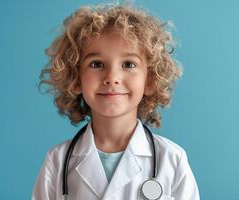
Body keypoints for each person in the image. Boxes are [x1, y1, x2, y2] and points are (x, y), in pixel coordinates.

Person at [32, 2, 200, 200]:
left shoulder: (172, 160)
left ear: (150, 80)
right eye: (96, 64)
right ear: (76, 79)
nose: (112, 77)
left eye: (128, 64)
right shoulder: (57, 162)